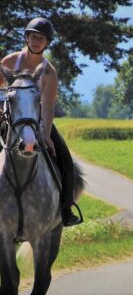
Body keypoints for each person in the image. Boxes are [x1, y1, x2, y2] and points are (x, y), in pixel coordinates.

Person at [0, 17, 82, 227]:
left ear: (47, 43)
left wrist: (45, 135)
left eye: (41, 39)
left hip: (36, 122)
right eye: (33, 37)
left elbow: (47, 106)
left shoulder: (49, 73)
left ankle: (65, 209)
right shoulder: (9, 62)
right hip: (8, 117)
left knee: (65, 159)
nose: (36, 41)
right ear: (26, 38)